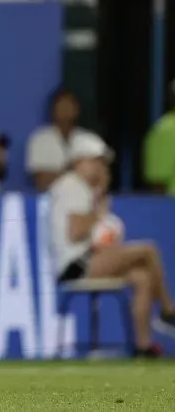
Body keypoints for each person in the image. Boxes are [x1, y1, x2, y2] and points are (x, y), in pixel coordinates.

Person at [49, 133, 175, 357]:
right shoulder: (72, 186)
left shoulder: (82, 189)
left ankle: (143, 346)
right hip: (76, 264)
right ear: (81, 160)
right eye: (97, 161)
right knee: (148, 250)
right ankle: (168, 311)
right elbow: (76, 232)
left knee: (143, 277)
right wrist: (98, 210)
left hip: (85, 259)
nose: (102, 167)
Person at [26, 88, 94, 192]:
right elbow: (42, 182)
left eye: (69, 105)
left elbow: (98, 179)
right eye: (62, 105)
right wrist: (76, 172)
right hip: (51, 201)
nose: (65, 109)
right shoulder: (40, 139)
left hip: (85, 201)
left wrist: (59, 174)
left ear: (77, 109)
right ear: (53, 110)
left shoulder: (89, 139)